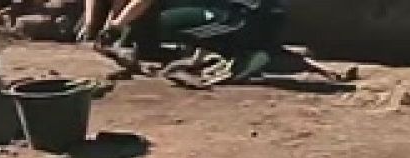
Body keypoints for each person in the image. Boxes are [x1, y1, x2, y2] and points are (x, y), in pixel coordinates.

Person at [92, 0, 285, 85]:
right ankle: (229, 54)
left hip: (249, 19)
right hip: (245, 15)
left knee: (167, 23)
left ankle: (249, 53)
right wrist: (196, 60)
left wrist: (115, 26)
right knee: (177, 15)